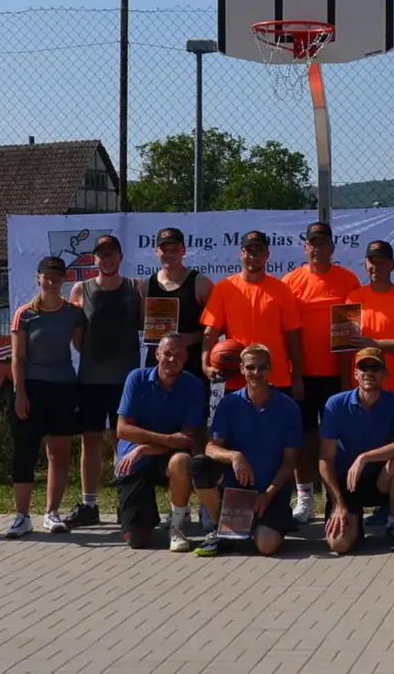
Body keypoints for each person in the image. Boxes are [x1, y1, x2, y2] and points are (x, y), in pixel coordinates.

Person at [198, 231, 306, 513]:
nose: (253, 256)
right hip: (238, 381)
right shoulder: (225, 288)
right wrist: (206, 363)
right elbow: (210, 332)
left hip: (278, 379)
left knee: (277, 449)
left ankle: (277, 505)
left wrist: (297, 377)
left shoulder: (281, 289)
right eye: (248, 250)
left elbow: (294, 337)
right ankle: (222, 507)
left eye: (258, 251)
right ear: (240, 253)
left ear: (267, 255)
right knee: (231, 447)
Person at [189, 343, 303, 558]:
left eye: (262, 367)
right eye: (250, 367)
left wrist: (269, 494)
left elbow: (290, 462)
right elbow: (211, 447)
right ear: (241, 369)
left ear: (270, 369)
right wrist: (235, 456)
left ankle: (268, 521)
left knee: (266, 545)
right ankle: (221, 529)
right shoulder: (229, 403)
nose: (256, 373)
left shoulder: (288, 408)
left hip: (271, 491)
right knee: (199, 464)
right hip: (237, 491)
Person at [283, 221, 363, 524]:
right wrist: (296, 376)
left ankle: (335, 495)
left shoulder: (348, 280)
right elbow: (290, 334)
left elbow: (347, 333)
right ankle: (304, 496)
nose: (317, 249)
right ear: (305, 247)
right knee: (303, 437)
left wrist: (346, 380)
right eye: (312, 243)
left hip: (337, 376)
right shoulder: (291, 282)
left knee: (336, 439)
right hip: (302, 375)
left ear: (332, 247)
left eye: (323, 243)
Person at [66, 234, 143, 529]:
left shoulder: (135, 288)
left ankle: (127, 503)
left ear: (120, 258)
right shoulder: (80, 290)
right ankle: (89, 504)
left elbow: (150, 325)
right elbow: (77, 341)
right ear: (94, 259)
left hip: (126, 380)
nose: (107, 259)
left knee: (123, 443)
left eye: (112, 254)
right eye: (101, 255)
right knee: (91, 443)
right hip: (91, 380)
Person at [6, 256, 85, 539]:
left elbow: (82, 345)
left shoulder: (74, 313)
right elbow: (18, 358)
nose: (52, 282)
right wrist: (20, 394)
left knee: (59, 453)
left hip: (64, 387)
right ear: (38, 279)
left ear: (64, 280)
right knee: (25, 452)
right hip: (31, 388)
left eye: (57, 277)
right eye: (47, 277)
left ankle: (52, 513)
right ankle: (22, 516)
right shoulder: (24, 314)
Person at [111, 331, 207, 550]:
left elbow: (185, 440)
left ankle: (177, 525)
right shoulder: (137, 378)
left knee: (181, 461)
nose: (172, 359)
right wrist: (162, 441)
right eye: (168, 353)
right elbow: (123, 429)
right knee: (137, 541)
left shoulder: (193, 386)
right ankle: (137, 513)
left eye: (179, 355)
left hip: (163, 456)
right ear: (157, 354)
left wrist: (144, 447)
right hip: (134, 461)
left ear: (186, 358)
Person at [318, 348, 394, 553]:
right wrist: (338, 502)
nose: (369, 372)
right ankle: (353, 522)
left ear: (384, 373)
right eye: (363, 367)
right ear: (355, 373)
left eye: (375, 367)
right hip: (347, 484)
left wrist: (364, 458)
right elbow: (325, 459)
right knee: (339, 544)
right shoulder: (335, 403)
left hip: (379, 479)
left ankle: (393, 523)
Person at [139, 226, 214, 418]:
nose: (169, 254)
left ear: (184, 250)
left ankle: (197, 450)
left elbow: (215, 327)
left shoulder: (200, 283)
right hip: (158, 366)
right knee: (156, 420)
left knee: (195, 424)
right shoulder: (147, 285)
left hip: (191, 365)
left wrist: (188, 339)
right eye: (164, 249)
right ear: (157, 251)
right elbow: (143, 324)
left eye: (174, 248)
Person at [343, 240, 394, 401]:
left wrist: (376, 344)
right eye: (372, 262)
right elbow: (344, 344)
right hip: (361, 389)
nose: (376, 267)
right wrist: (345, 383)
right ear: (366, 264)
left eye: (382, 262)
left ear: (392, 265)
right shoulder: (353, 298)